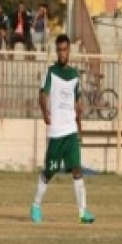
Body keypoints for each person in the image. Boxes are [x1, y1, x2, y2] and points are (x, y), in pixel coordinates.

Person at [30, 34, 95, 225]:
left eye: (65, 50)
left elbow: (77, 105)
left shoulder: (74, 75)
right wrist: (45, 111)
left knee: (77, 169)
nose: (62, 53)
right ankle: (35, 205)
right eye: (59, 50)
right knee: (49, 172)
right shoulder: (51, 72)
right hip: (56, 132)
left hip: (71, 131)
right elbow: (42, 95)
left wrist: (80, 128)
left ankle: (83, 212)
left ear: (69, 51)